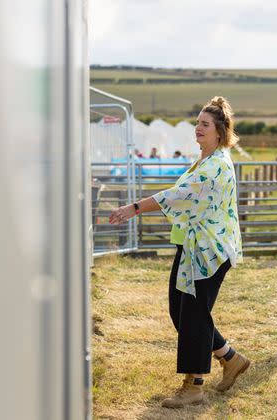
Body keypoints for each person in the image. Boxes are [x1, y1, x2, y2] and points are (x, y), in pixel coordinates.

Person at [109, 96, 249, 408]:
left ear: (220, 131)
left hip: (208, 252)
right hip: (194, 248)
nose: (198, 128)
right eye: (198, 123)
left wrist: (133, 208)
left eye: (205, 124)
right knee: (180, 310)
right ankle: (231, 358)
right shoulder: (205, 159)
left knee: (194, 316)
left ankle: (194, 385)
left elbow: (176, 196)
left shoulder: (214, 166)